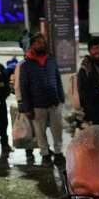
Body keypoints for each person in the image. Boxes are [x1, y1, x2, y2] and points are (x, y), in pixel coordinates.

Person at [18, 34, 66, 166]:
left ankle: (58, 153)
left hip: (54, 102)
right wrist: (27, 108)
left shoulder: (51, 60)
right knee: (40, 131)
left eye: (43, 42)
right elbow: (24, 88)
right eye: (38, 42)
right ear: (32, 45)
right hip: (37, 105)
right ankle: (45, 155)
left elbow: (57, 79)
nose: (41, 44)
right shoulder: (26, 65)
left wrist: (61, 97)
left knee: (57, 130)